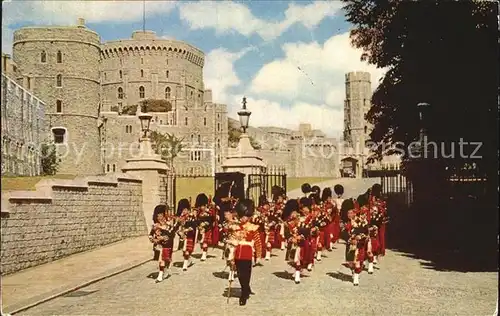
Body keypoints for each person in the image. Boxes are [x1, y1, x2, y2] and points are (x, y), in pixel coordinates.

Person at [228, 199, 261, 306]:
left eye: (245, 216)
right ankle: (245, 287)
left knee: (246, 273)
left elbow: (257, 242)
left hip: (247, 253)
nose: (243, 218)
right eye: (241, 216)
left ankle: (244, 293)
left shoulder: (252, 227)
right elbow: (231, 238)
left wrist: (258, 256)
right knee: (240, 274)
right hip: (237, 252)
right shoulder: (235, 226)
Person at [148, 206, 180, 283]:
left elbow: (171, 234)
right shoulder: (155, 225)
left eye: (161, 216)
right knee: (161, 261)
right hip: (159, 246)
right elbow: (150, 235)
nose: (159, 218)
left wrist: (163, 237)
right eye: (158, 216)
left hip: (167, 244)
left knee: (164, 261)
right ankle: (162, 273)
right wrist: (153, 239)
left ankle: (162, 274)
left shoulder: (168, 224)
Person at [176, 198, 196, 271]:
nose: (184, 211)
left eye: (185, 209)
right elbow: (176, 227)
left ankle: (185, 264)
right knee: (184, 251)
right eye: (182, 210)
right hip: (183, 236)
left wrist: (187, 230)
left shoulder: (191, 216)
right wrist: (179, 232)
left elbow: (194, 225)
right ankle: (189, 260)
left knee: (187, 250)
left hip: (190, 235)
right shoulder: (180, 218)